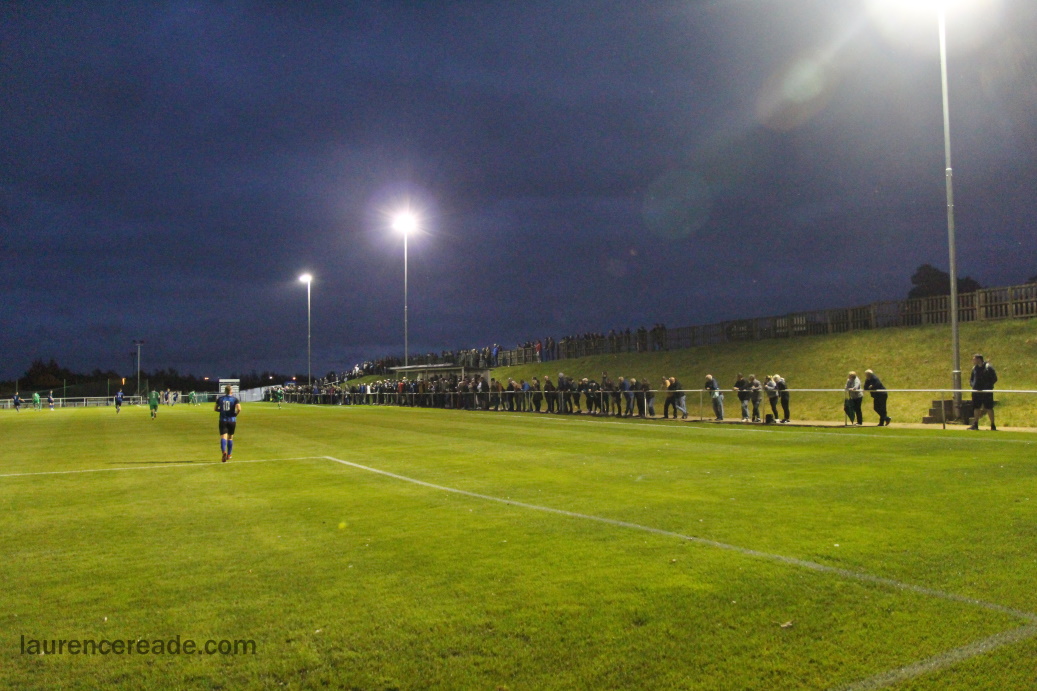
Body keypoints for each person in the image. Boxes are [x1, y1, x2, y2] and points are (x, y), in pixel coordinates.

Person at [968, 353, 998, 431]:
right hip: (976, 391)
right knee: (976, 407)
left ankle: (993, 425)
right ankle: (975, 424)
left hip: (986, 391)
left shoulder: (988, 367)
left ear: (979, 359)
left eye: (974, 359)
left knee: (989, 407)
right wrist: (973, 385)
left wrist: (987, 386)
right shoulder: (974, 368)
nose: (973, 360)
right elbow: (971, 379)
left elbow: (994, 378)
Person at [216, 384, 241, 462]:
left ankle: (224, 452)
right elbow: (239, 409)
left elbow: (215, 408)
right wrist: (236, 414)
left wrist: (222, 410)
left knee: (223, 437)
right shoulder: (235, 399)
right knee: (230, 437)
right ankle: (229, 455)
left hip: (223, 420)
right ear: (231, 391)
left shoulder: (220, 399)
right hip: (232, 420)